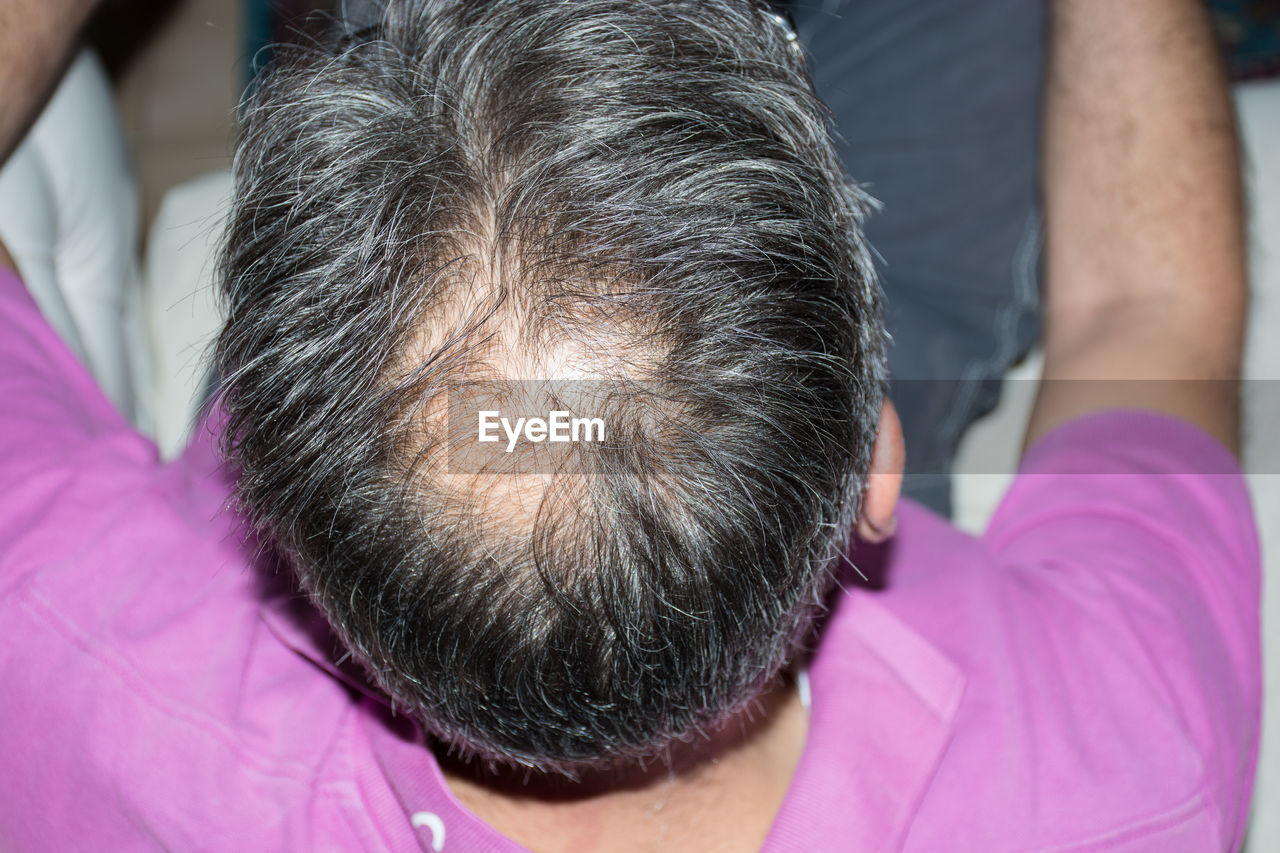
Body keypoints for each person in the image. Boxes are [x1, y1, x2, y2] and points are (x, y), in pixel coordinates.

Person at [0, 1, 1259, 852]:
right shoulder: (1115, 775)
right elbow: (1143, 322)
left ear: (277, 528)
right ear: (872, 474)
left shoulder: (81, 667)